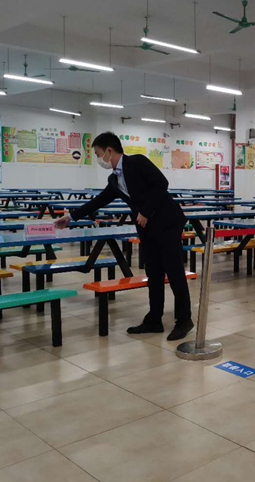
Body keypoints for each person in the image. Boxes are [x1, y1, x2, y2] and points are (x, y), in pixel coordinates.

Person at [55, 132, 193, 341]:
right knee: (154, 274)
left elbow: (161, 184)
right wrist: (71, 217)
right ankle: (154, 319)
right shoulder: (114, 179)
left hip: (167, 223)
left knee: (174, 272)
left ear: (109, 151)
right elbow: (98, 201)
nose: (99, 159)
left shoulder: (137, 162)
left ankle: (184, 320)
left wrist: (145, 211)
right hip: (147, 229)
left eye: (98, 154)